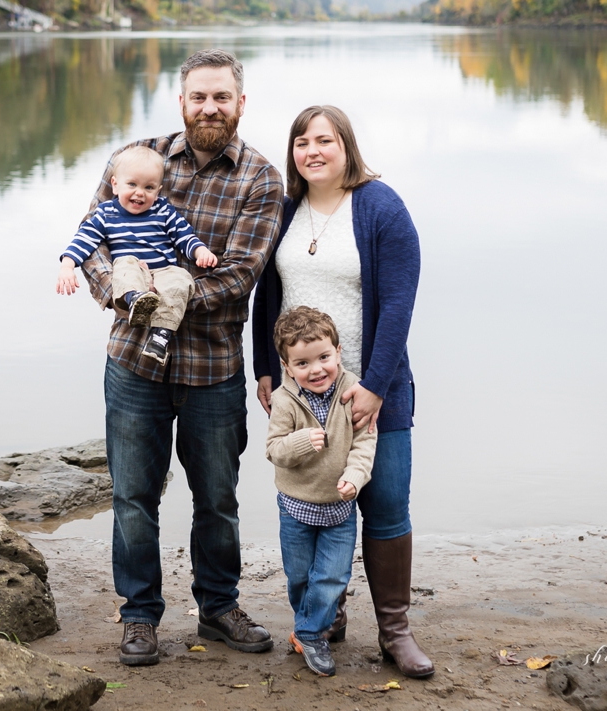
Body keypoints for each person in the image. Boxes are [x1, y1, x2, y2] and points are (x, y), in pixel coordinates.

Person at [75, 49, 285, 666]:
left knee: (217, 499)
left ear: (240, 103)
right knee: (132, 497)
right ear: (182, 101)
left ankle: (219, 608)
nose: (210, 108)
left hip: (213, 370)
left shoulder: (260, 179)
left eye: (222, 97)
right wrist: (123, 295)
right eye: (199, 97)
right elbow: (93, 244)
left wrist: (167, 297)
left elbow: (241, 276)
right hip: (133, 365)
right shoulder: (136, 159)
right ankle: (139, 616)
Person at [250, 104, 434, 678]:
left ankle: (395, 632)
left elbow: (399, 303)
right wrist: (265, 369)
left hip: (373, 387)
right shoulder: (286, 210)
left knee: (385, 507)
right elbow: (267, 297)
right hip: (304, 391)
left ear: (346, 146)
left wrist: (374, 385)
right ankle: (325, 617)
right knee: (314, 503)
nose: (313, 151)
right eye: (302, 142)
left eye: (324, 140)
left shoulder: (380, 207)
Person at [265, 306, 377, 678]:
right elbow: (274, 450)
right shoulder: (284, 400)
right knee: (300, 576)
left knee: (332, 577)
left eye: (324, 358)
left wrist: (356, 476)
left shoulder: (352, 389)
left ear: (338, 352)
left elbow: (365, 442)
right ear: (286, 367)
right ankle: (309, 626)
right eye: (303, 363)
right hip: (295, 508)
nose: (316, 370)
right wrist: (301, 442)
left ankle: (310, 633)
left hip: (339, 508)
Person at [58, 145, 219, 365]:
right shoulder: (106, 213)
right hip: (132, 271)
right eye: (132, 184)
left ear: (158, 191)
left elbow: (183, 235)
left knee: (181, 279)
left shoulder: (163, 210)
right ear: (115, 185)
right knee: (124, 265)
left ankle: (160, 337)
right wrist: (67, 265)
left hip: (163, 272)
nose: (140, 192)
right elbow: (85, 239)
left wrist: (200, 251)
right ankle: (135, 299)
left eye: (149, 187)